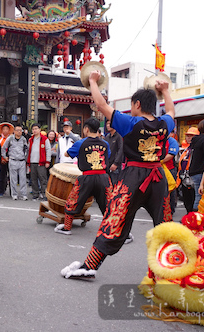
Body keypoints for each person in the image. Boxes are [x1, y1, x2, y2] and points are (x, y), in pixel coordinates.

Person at [60, 71, 174, 280]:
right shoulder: (164, 124)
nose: (131, 109)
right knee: (165, 224)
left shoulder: (131, 123)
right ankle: (169, 271)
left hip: (133, 178)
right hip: (158, 177)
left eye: (132, 105)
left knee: (114, 221)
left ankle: (89, 266)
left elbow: (101, 106)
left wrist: (93, 81)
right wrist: (166, 91)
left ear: (137, 104)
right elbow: (171, 111)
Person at [54, 117, 111, 235]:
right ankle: (113, 231)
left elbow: (66, 154)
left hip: (87, 178)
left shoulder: (81, 143)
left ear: (86, 129)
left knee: (72, 201)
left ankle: (67, 228)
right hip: (103, 177)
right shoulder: (105, 143)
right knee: (109, 205)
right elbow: (108, 156)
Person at [1, 125, 28, 200]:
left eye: (20, 130)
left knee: (23, 178)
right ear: (14, 131)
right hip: (12, 160)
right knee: (13, 179)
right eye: (17, 130)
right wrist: (4, 156)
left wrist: (25, 159)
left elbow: (26, 150)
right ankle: (14, 194)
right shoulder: (10, 138)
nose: (19, 132)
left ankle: (24, 194)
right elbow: (3, 148)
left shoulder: (23, 139)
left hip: (21, 161)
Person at [176, 127, 198, 214]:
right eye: (188, 136)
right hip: (184, 178)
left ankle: (195, 218)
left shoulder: (197, 148)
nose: (189, 138)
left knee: (194, 199)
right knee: (186, 199)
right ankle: (189, 216)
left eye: (192, 136)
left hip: (193, 177)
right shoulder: (185, 149)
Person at [27, 123, 51, 201]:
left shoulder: (44, 139)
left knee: (43, 179)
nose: (34, 130)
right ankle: (35, 194)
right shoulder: (30, 139)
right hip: (32, 161)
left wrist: (48, 161)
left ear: (40, 129)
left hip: (41, 162)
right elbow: (28, 151)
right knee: (33, 179)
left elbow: (48, 150)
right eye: (33, 129)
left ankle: (44, 194)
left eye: (36, 128)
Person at [161, 132, 179, 216]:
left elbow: (171, 155)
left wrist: (160, 161)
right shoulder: (158, 140)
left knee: (171, 189)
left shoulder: (172, 141)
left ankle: (171, 209)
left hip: (170, 169)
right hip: (158, 169)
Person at [0, 122, 14, 197]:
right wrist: (1, 159)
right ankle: (1, 190)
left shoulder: (12, 139)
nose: (5, 130)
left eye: (7, 129)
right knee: (1, 176)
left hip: (11, 159)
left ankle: (12, 192)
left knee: (12, 177)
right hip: (1, 160)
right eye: (4, 129)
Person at [104, 119, 123, 185]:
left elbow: (121, 150)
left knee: (114, 185)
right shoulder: (107, 137)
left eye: (110, 124)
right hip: (107, 165)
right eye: (107, 124)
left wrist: (116, 163)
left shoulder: (119, 136)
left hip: (115, 166)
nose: (108, 125)